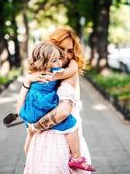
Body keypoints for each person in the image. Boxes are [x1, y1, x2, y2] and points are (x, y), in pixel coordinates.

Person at [16, 28, 93, 174]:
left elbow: (64, 111)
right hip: (43, 143)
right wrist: (27, 81)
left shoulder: (68, 72)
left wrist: (35, 128)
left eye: (70, 50)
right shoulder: (37, 74)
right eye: (61, 48)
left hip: (63, 142)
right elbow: (19, 108)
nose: (64, 55)